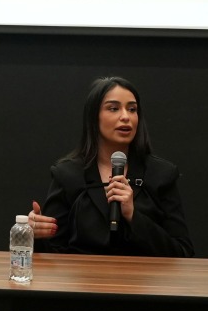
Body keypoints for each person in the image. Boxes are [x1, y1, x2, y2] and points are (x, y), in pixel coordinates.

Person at [29, 77, 193, 256]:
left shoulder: (161, 174)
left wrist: (133, 216)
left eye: (132, 109)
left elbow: (182, 253)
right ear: (94, 117)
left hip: (144, 282)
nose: (125, 117)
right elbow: (54, 254)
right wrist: (36, 235)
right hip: (84, 281)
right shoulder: (68, 174)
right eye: (113, 108)